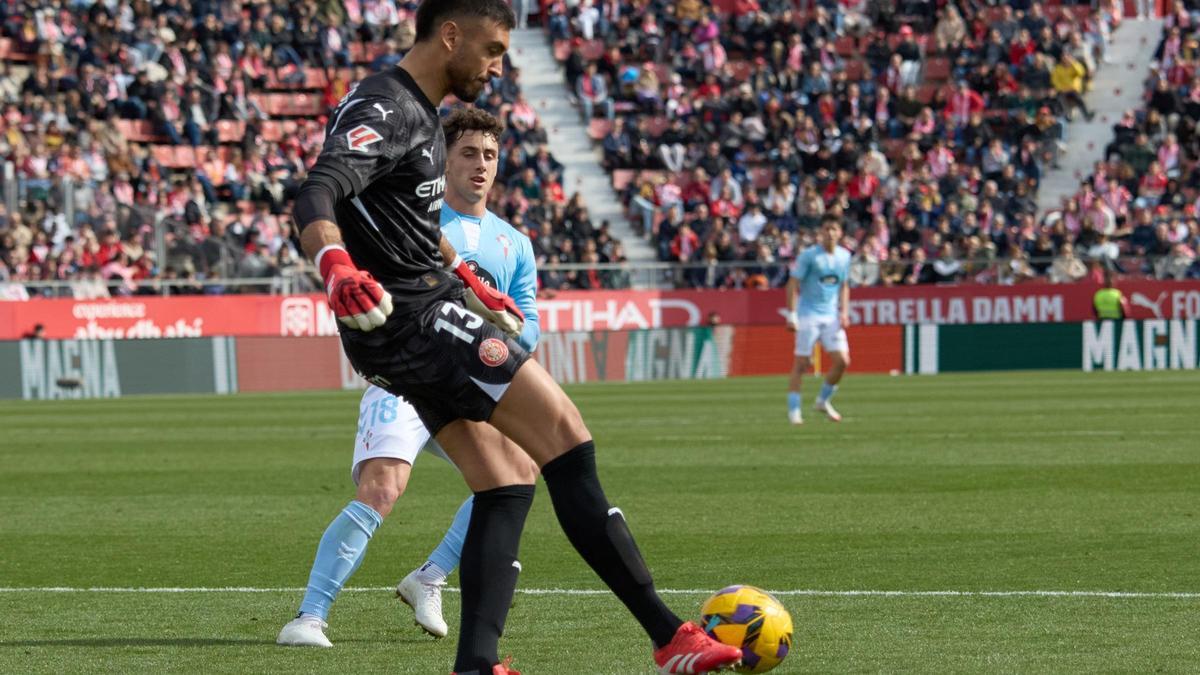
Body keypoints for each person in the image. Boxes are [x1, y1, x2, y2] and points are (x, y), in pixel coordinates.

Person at [288, 1, 742, 674]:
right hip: (417, 317)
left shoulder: (419, 113)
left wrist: (465, 269)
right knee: (566, 436)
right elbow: (317, 191)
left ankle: (476, 662)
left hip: (408, 319)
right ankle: (669, 634)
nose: (499, 65)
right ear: (450, 36)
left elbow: (404, 215)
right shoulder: (387, 107)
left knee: (503, 479)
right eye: (493, 48)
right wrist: (334, 265)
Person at [277, 108, 540, 647]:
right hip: (406, 375)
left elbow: (528, 320)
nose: (481, 165)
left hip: (468, 382)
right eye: (468, 153)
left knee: (517, 473)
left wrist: (502, 326)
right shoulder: (412, 218)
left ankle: (429, 577)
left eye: (490, 155)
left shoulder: (514, 242)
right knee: (382, 487)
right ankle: (308, 618)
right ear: (444, 161)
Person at [785, 214, 852, 425]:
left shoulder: (844, 256)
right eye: (826, 229)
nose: (830, 233)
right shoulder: (809, 256)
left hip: (831, 315)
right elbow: (792, 284)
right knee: (801, 364)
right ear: (820, 233)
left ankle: (822, 401)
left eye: (834, 229)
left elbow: (844, 285)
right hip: (808, 314)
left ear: (840, 233)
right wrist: (792, 315)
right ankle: (794, 410)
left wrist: (844, 311)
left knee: (842, 361)